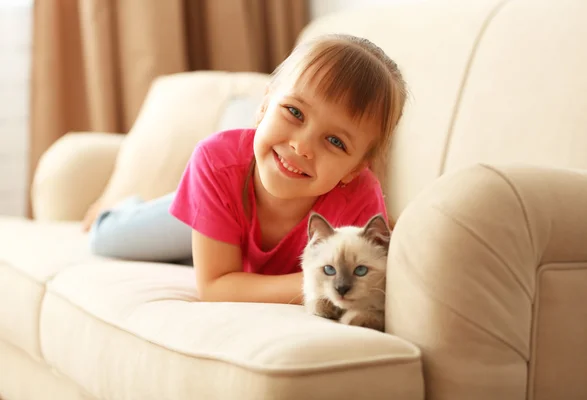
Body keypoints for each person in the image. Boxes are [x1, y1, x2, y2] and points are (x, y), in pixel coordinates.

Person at [86, 33, 407, 305]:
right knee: (104, 239)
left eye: (335, 141)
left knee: (200, 258)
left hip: (237, 241)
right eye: (294, 111)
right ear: (265, 106)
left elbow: (379, 281)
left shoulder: (360, 200)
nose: (302, 147)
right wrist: (319, 282)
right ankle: (129, 208)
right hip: (218, 204)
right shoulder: (215, 161)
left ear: (354, 170)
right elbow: (215, 286)